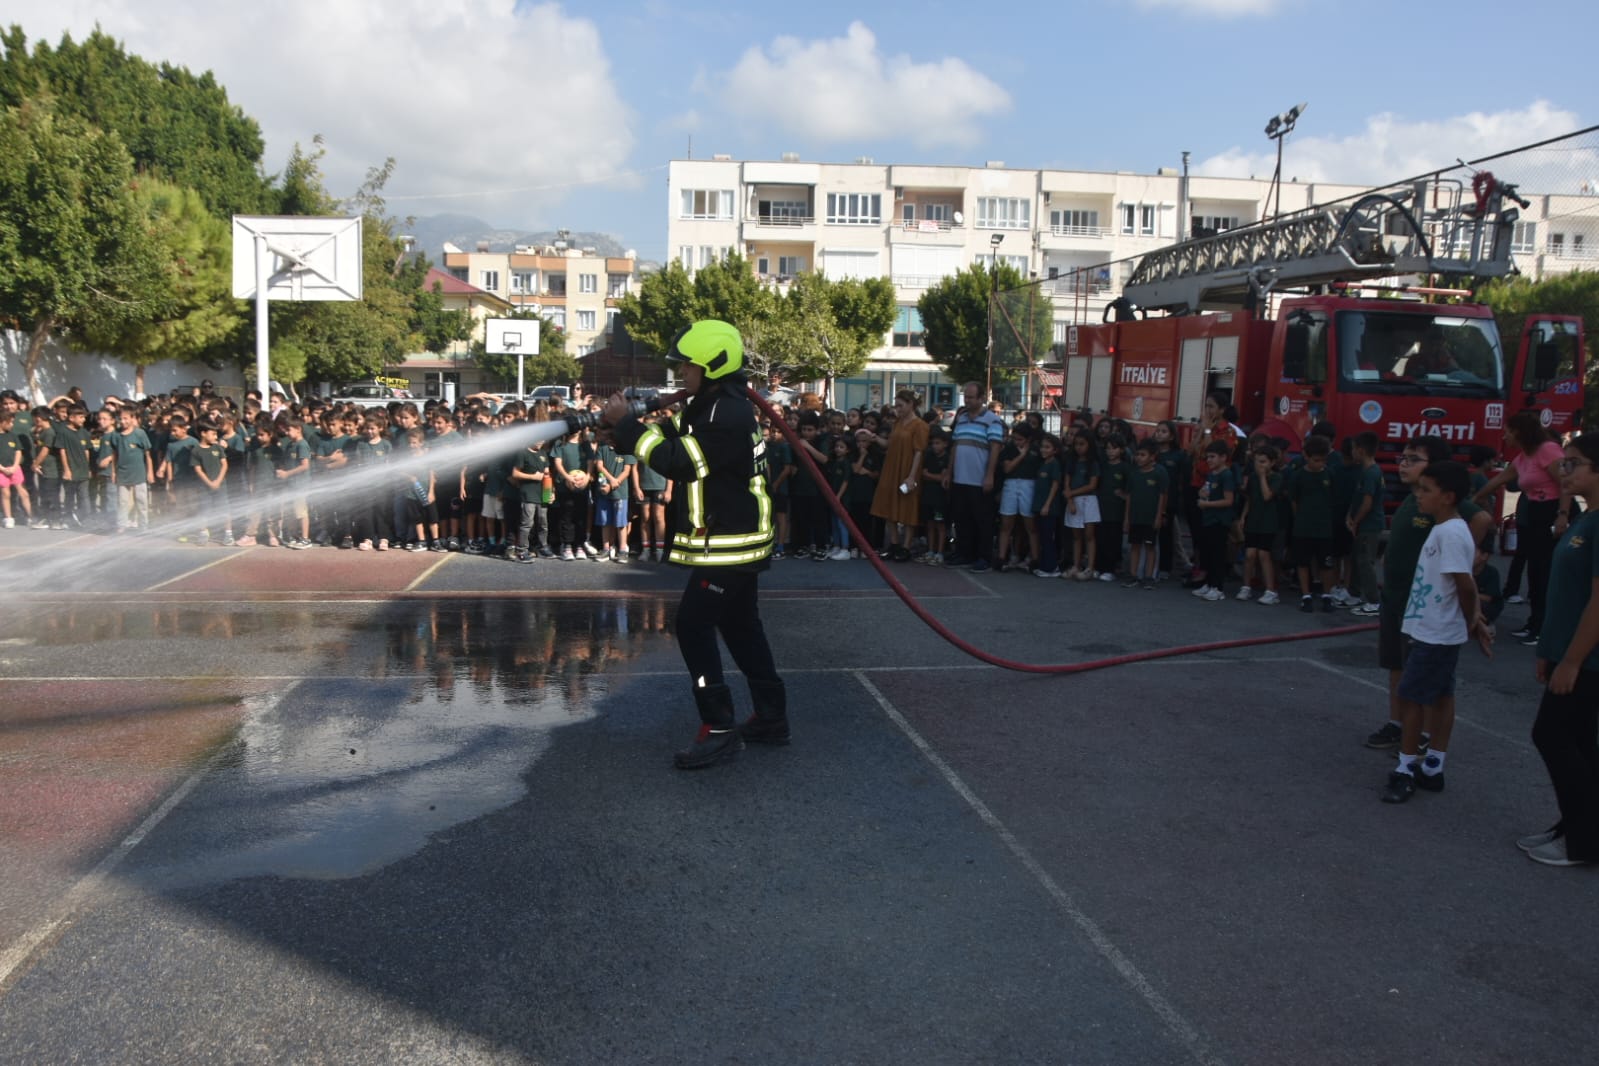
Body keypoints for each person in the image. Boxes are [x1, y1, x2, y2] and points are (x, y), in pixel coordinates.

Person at [603, 319, 785, 770]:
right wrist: (623, 432)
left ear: (714, 365)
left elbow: (680, 463)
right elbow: (671, 437)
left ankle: (720, 729)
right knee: (742, 627)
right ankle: (770, 716)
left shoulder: (727, 413)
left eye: (688, 366)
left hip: (730, 543)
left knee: (692, 626)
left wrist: (628, 428)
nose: (681, 374)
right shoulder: (711, 406)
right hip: (734, 540)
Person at [1363, 437, 1496, 751]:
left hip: (1422, 603)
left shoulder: (1444, 503)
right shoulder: (1415, 498)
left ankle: (1421, 736)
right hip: (1396, 598)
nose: (1403, 464)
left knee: (1421, 677)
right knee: (1396, 664)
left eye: (1413, 459)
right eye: (1403, 458)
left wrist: (1468, 557)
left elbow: (1482, 518)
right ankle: (1397, 725)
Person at [1381, 461, 1493, 804]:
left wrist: (1472, 618)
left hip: (1435, 633)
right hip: (1428, 627)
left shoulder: (1452, 532)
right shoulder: (1442, 528)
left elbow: (1465, 583)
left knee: (1411, 698)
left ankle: (1406, 768)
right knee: (1441, 696)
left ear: (1447, 497)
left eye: (1426, 490)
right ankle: (1433, 767)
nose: (1418, 495)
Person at [1522, 434, 1599, 865]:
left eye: (1574, 464)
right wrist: (1550, 652)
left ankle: (1583, 842)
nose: (1563, 472)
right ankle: (1576, 827)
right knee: (1580, 741)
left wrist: (1571, 661)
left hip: (1587, 659)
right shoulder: (1587, 519)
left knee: (1550, 734)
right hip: (1568, 654)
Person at [1473, 411, 1570, 647]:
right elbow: (1501, 479)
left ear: (1519, 432)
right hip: (1535, 514)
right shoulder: (1523, 456)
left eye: (1507, 432)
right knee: (1534, 571)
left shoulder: (1547, 450)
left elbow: (1565, 482)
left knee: (1544, 571)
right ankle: (1534, 623)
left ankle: (1543, 627)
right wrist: (1474, 499)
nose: (1504, 437)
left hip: (1552, 511)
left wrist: (1562, 516)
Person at [947, 382, 1004, 572]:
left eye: (971, 397)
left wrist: (989, 476)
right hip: (960, 479)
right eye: (966, 397)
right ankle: (965, 553)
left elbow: (995, 448)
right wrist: (949, 471)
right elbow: (955, 446)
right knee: (962, 519)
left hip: (979, 480)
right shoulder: (962, 418)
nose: (967, 400)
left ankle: (984, 557)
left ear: (981, 398)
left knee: (983, 520)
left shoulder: (992, 420)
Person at [870, 389, 929, 562]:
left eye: (900, 405)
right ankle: (894, 544)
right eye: (896, 405)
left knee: (908, 507)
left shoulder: (920, 425)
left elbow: (919, 452)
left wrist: (912, 476)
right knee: (888, 504)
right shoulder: (897, 423)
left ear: (911, 404)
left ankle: (906, 547)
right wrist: (874, 438)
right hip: (891, 467)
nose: (898, 409)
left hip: (908, 469)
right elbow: (888, 443)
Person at [1289, 435, 1338, 613]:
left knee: (1326, 563)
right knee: (1303, 563)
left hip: (1324, 528)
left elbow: (1333, 497)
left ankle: (1326, 595)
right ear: (1306, 457)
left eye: (1323, 460)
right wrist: (1301, 517)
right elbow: (1294, 501)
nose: (1320, 464)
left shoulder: (1330, 474)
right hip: (1303, 527)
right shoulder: (1298, 476)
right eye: (1316, 460)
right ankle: (1306, 595)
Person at [1346, 432, 1386, 615]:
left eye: (1354, 449)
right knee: (1357, 559)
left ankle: (1373, 601)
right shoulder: (1369, 471)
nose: (1352, 452)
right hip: (1364, 524)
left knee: (1365, 562)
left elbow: (1367, 503)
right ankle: (1354, 594)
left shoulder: (1371, 473)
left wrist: (1355, 521)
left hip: (1369, 525)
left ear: (1360, 450)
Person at [1192, 440, 1237, 602]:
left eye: (1212, 457)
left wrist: (1207, 504)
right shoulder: (1211, 474)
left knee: (1218, 555)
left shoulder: (1227, 475)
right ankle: (1208, 583)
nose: (1209, 460)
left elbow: (1228, 500)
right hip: (1208, 519)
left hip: (1219, 521)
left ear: (1223, 457)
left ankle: (1218, 587)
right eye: (1207, 457)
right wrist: (1203, 494)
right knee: (1208, 553)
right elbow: (1207, 491)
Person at [1237, 445, 1281, 604]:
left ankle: (1270, 590)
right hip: (1253, 520)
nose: (1259, 465)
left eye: (1263, 462)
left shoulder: (1276, 478)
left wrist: (1263, 477)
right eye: (1257, 462)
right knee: (1249, 554)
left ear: (1272, 462)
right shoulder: (1252, 478)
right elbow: (1249, 498)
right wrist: (1243, 516)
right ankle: (1246, 586)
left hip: (1268, 521)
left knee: (1263, 554)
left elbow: (1267, 495)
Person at [1123, 439, 1169, 590]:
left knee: (1150, 547)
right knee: (1135, 546)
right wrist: (1127, 518)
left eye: (1142, 455)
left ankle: (1149, 577)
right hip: (1135, 516)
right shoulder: (1134, 473)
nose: (1138, 458)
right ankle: (1133, 575)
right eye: (1137, 454)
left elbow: (1163, 495)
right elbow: (1129, 496)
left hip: (1151, 518)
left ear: (1152, 456)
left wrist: (1160, 515)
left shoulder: (1160, 472)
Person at [996, 423, 1040, 571]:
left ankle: (1034, 558)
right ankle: (1002, 557)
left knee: (1030, 525)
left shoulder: (1036, 450)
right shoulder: (1009, 448)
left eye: (1020, 439)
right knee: (1006, 523)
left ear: (1028, 439)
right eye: (1015, 439)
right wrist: (1021, 455)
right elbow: (1007, 468)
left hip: (1029, 485)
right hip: (1012, 484)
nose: (1017, 442)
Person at [1063, 431, 1101, 579]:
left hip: (1089, 500)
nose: (1079, 447)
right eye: (1076, 444)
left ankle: (1090, 567)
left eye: (1082, 444)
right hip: (1074, 501)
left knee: (1089, 535)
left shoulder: (1093, 463)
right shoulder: (1071, 462)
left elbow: (1092, 485)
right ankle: (1076, 565)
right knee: (1076, 536)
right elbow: (1067, 484)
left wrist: (1071, 494)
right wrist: (1070, 501)